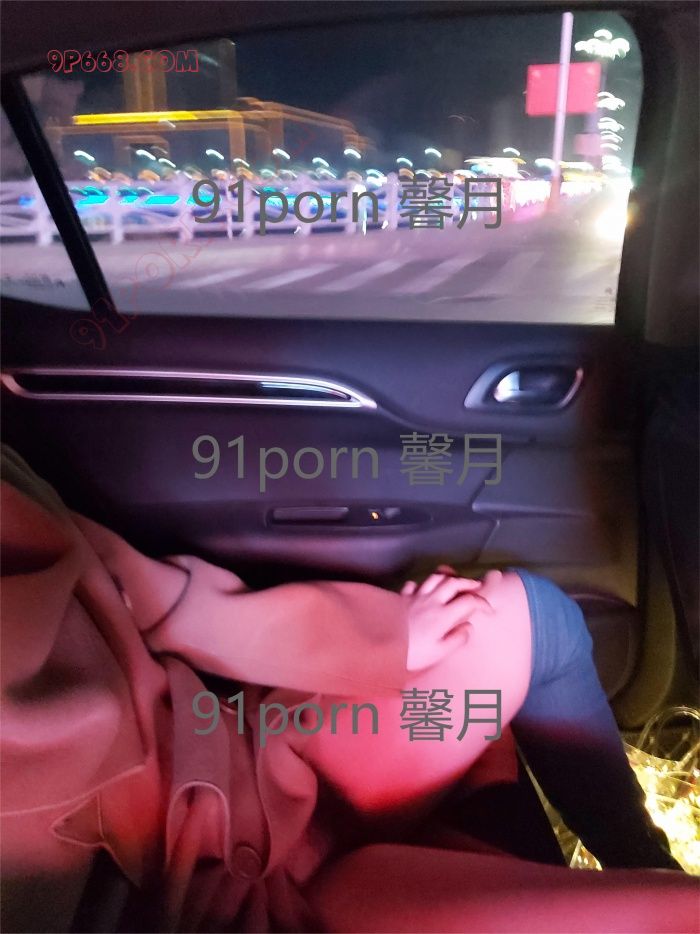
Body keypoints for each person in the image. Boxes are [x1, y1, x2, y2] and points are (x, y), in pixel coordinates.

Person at [0, 446, 695, 934]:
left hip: (253, 772)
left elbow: (131, 591)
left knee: (534, 624)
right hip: (235, 913)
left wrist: (386, 640)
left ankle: (640, 854)